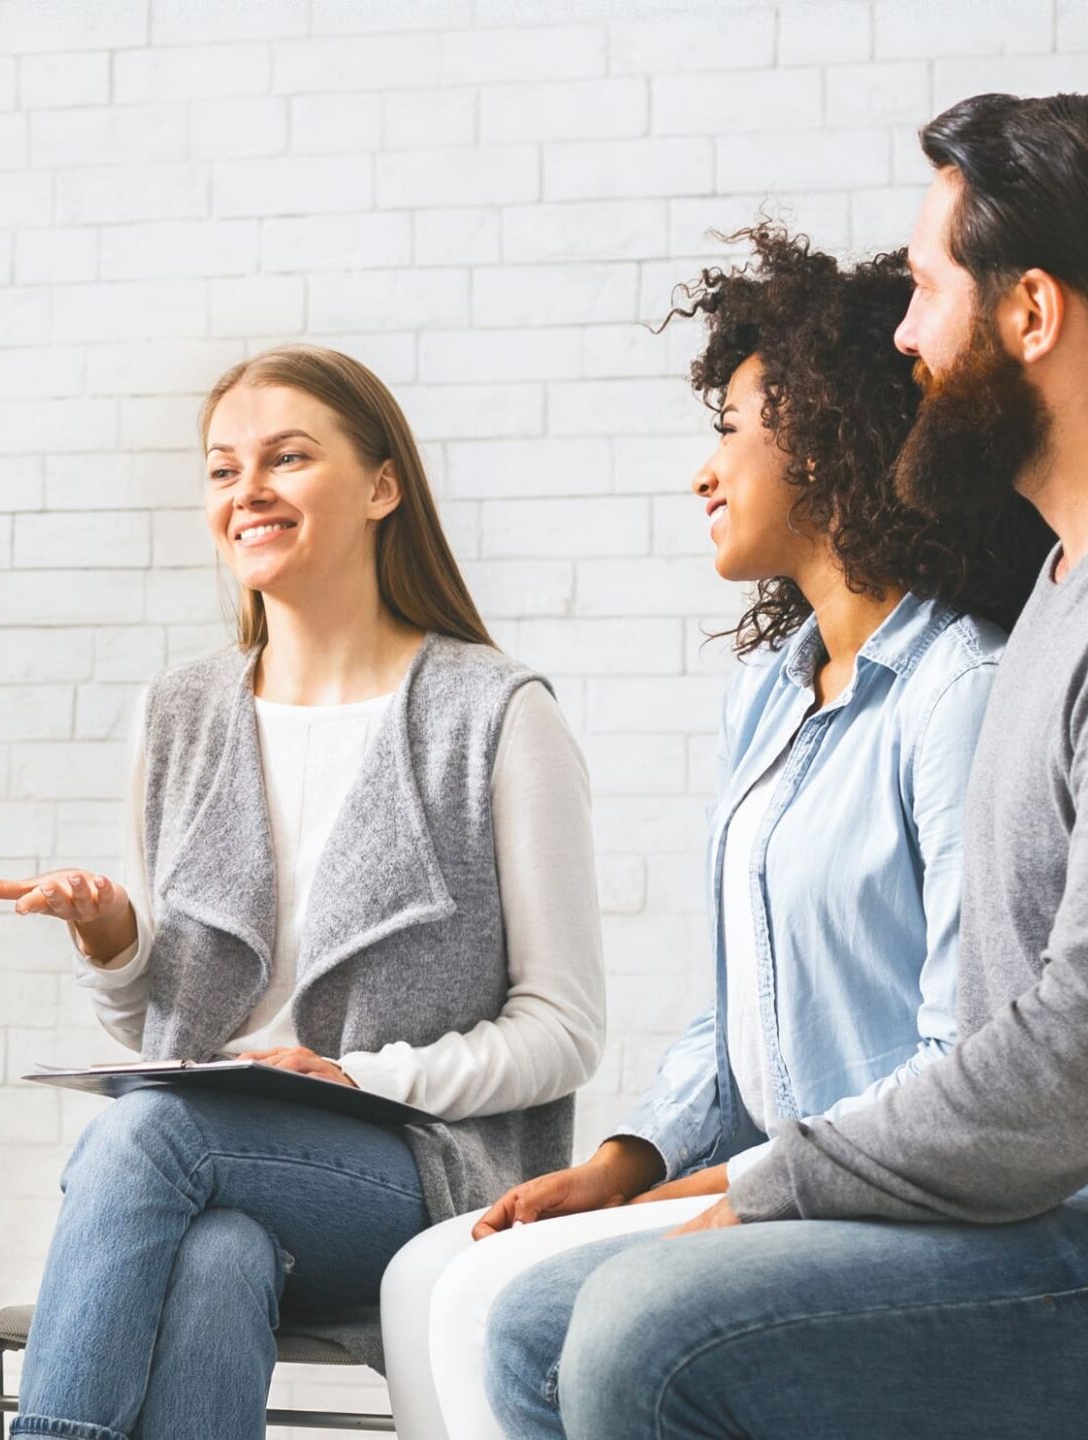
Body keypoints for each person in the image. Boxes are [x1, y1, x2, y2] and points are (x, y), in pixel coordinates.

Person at [489, 92, 1088, 1440]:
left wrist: (760, 1191)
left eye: (929, 289)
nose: (906, 334)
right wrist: (708, 1179)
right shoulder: (1079, 576)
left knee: (651, 1333)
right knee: (540, 1318)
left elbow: (1083, 1066)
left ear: (1031, 314)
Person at [376, 226, 1053, 1439]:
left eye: (733, 432)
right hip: (777, 1183)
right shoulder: (775, 693)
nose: (704, 472)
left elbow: (966, 1052)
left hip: (894, 1201)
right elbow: (739, 999)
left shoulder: (961, 695)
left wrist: (725, 1188)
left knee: (503, 1306)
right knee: (429, 1275)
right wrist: (634, 1156)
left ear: (833, 442)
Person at [0, 343, 607, 1440]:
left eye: (286, 458)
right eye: (221, 469)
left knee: (144, 1139)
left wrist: (356, 1077)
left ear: (381, 485)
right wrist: (116, 942)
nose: (245, 490)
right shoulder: (181, 712)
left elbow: (563, 1031)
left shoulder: (495, 714)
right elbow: (156, 1018)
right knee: (217, 1259)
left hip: (419, 1170)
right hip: (214, 1177)